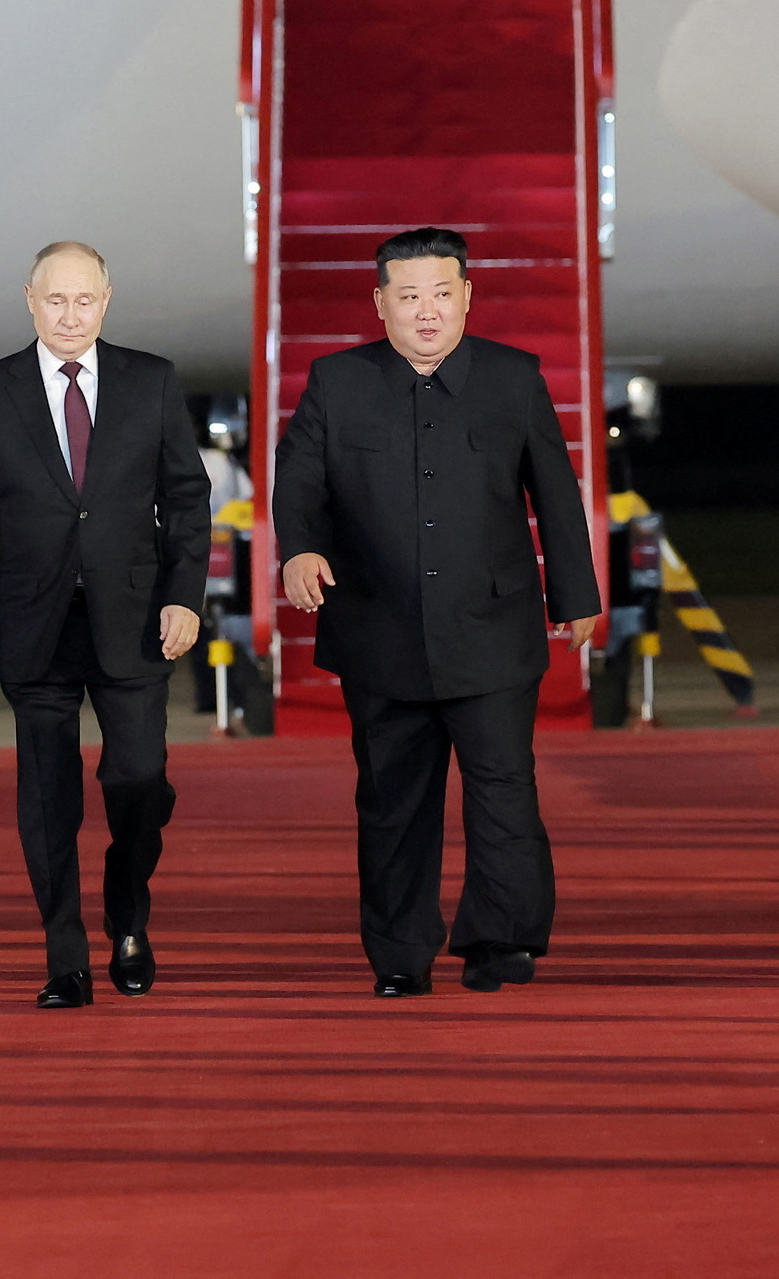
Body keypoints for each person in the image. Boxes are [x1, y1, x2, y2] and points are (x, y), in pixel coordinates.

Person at [273, 226, 601, 996]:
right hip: (378, 628)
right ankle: (398, 951)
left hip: (491, 627)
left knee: (503, 789)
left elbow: (555, 490)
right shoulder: (337, 381)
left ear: (467, 298)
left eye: (442, 293)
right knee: (391, 803)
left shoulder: (512, 378)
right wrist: (299, 549)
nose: (428, 311)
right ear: (380, 302)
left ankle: (501, 939)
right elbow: (299, 482)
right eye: (410, 295)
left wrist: (577, 596)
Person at [0, 241, 209, 1007]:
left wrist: (184, 595)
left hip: (136, 618)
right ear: (29, 299)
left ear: (107, 299)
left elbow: (188, 500)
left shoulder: (150, 381)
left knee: (139, 779)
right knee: (50, 798)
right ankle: (67, 955)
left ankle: (129, 913)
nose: (69, 315)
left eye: (84, 300)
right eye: (55, 301)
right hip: (34, 624)